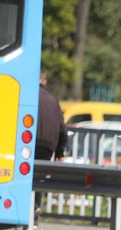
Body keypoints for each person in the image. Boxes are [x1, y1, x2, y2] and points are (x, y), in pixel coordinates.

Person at [33, 68, 68, 220]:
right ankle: (35, 213)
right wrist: (60, 152)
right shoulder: (53, 100)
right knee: (39, 180)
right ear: (44, 81)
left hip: (28, 143)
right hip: (48, 146)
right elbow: (62, 129)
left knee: (24, 177)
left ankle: (22, 213)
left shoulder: (27, 93)